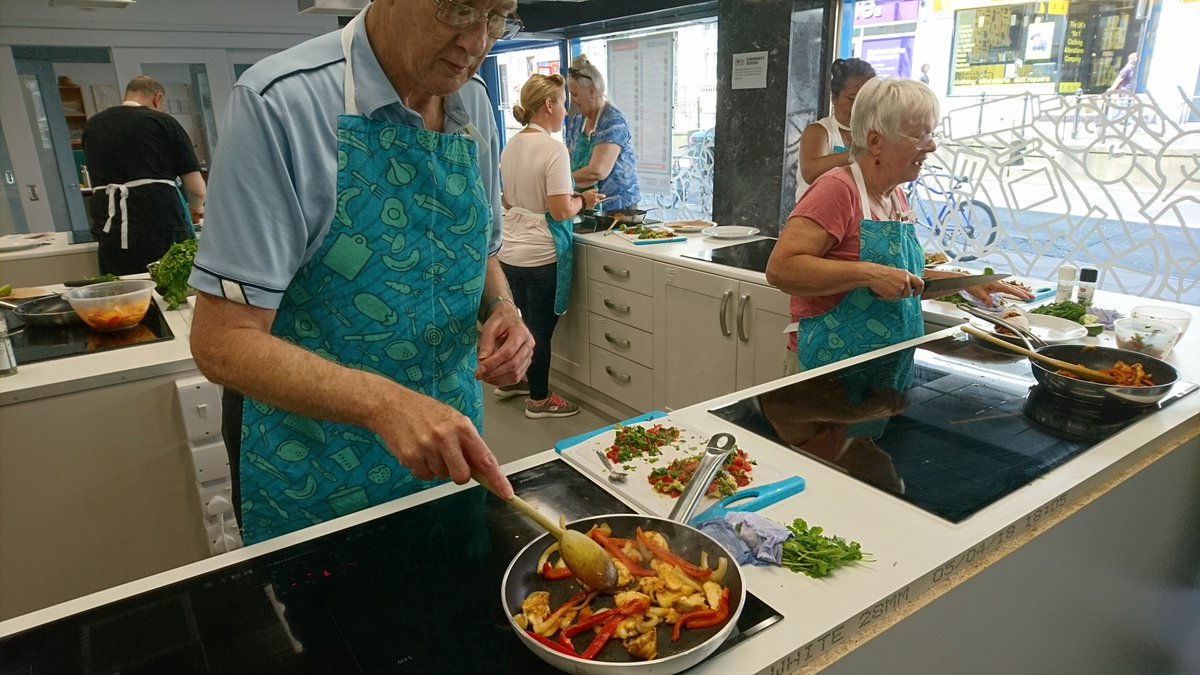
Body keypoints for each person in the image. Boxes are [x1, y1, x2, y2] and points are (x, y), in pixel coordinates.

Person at [187, 0, 532, 544]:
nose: (477, 43)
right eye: (458, 8)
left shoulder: (474, 102)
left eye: (497, 16)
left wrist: (504, 309)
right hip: (318, 472)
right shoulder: (282, 103)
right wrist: (385, 403)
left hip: (450, 454)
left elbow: (481, 246)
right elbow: (220, 343)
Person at [767, 78, 1032, 374]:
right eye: (919, 136)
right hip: (828, 371)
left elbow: (901, 279)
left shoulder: (895, 195)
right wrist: (870, 274)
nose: (931, 146)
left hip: (886, 368)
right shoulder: (837, 190)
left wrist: (965, 283)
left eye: (932, 134)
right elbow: (782, 269)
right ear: (875, 142)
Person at [496, 74, 603, 418]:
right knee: (539, 330)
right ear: (548, 105)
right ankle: (539, 400)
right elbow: (559, 210)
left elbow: (507, 200)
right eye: (563, 103)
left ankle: (516, 380)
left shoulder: (512, 145)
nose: (567, 112)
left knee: (522, 323)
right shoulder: (553, 149)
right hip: (541, 254)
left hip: (511, 251)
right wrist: (584, 200)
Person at [82, 75, 205, 275]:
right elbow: (196, 189)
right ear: (158, 98)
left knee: (123, 290)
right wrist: (196, 210)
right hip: (160, 225)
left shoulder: (93, 125)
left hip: (111, 229)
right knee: (169, 287)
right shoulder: (162, 121)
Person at [564, 55, 641, 214]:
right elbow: (568, 159)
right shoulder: (578, 120)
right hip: (585, 202)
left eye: (575, 94)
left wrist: (561, 181)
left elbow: (597, 171)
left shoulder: (613, 120)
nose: (573, 100)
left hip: (617, 208)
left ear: (592, 91)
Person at [795, 58, 876, 202]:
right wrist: (861, 155)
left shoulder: (874, 135)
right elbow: (810, 172)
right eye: (852, 99)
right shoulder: (819, 131)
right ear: (834, 98)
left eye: (866, 100)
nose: (859, 107)